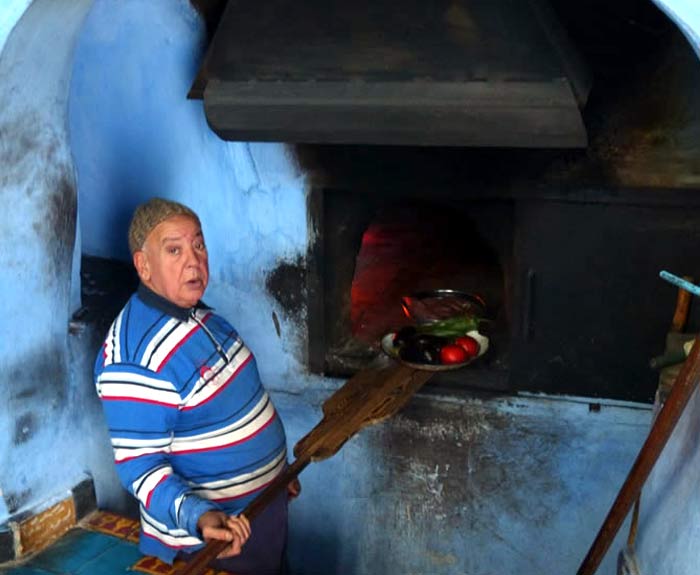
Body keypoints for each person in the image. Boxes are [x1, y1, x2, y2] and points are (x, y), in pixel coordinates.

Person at [94, 198, 299, 574]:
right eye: (174, 250)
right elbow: (141, 471)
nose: (193, 261)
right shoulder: (135, 361)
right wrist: (200, 517)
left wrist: (277, 475)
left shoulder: (198, 314)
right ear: (144, 265)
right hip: (218, 539)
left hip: (261, 508)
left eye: (198, 245)